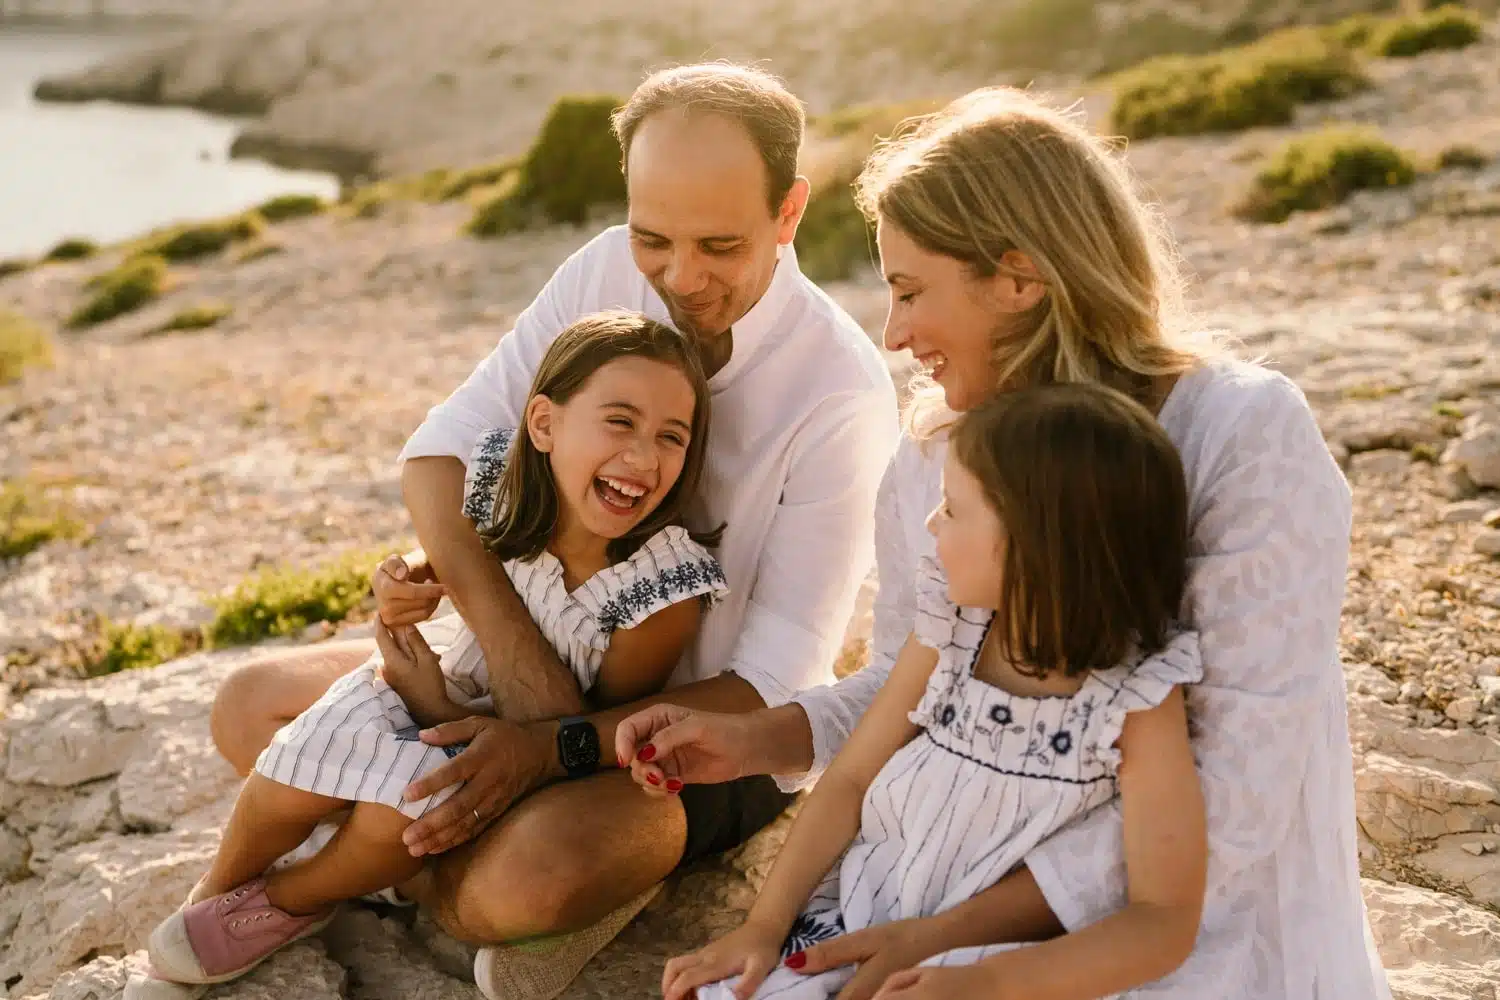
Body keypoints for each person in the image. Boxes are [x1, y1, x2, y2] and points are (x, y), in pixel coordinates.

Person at [617, 87, 1393, 999]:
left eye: (911, 291)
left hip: (1168, 929)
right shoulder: (936, 450)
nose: (894, 334)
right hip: (926, 897)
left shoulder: (1240, 433)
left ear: (1018, 279)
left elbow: (1238, 788)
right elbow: (915, 683)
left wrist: (954, 941)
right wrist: (757, 740)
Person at [203, 62, 899, 999]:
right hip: (517, 667)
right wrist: (503, 652)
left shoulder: (840, 393)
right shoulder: (604, 268)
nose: (680, 277)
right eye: (653, 237)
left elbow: (773, 686)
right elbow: (442, 456)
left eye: (720, 245)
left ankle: (441, 867)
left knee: (528, 875)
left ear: (789, 213)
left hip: (693, 738)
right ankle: (444, 861)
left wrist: (551, 747)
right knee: (249, 707)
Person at [144, 311, 731, 986]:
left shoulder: (657, 591)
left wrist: (434, 704)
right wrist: (412, 581)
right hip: (453, 678)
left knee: (398, 808)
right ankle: (217, 891)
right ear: (544, 425)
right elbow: (470, 555)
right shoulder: (506, 485)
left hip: (525, 754)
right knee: (293, 758)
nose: (644, 457)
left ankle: (288, 901)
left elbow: (583, 741)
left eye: (671, 437)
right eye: (620, 422)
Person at [648, 384, 1207, 1000]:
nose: (931, 522)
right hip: (857, 921)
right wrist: (763, 926)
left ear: (1033, 544)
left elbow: (1163, 920)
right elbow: (850, 779)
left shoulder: (1138, 699)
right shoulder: (951, 629)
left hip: (1006, 973)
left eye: (953, 508)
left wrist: (984, 983)